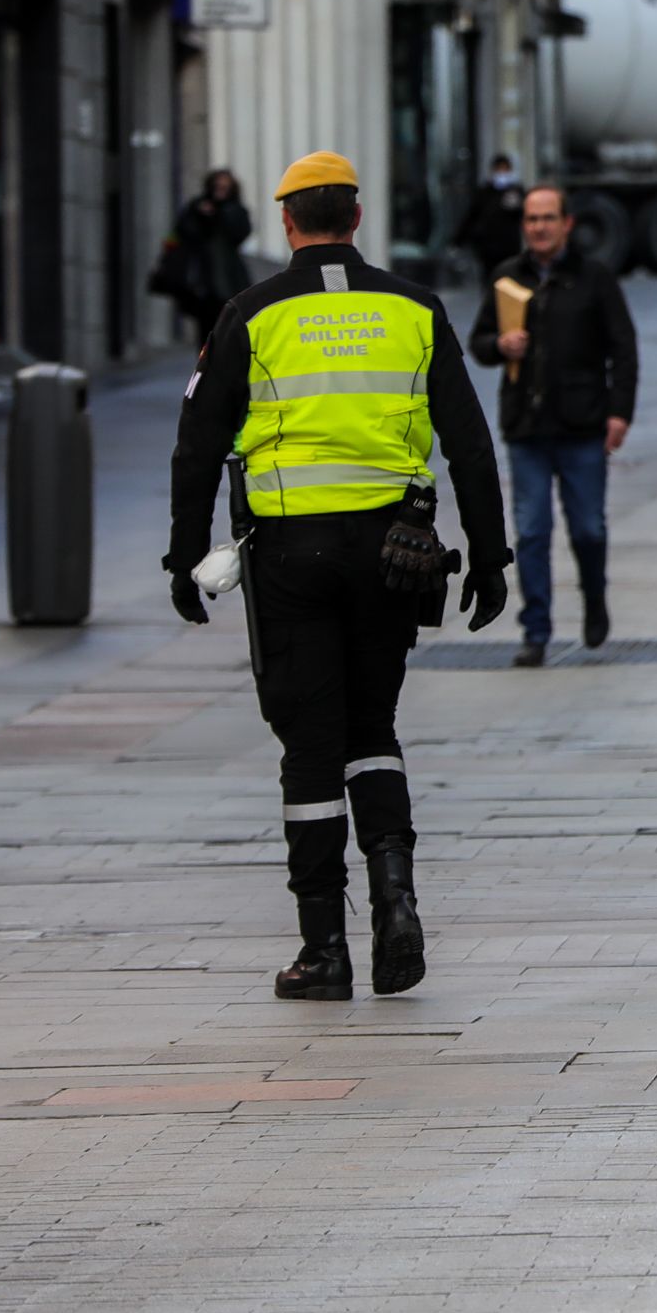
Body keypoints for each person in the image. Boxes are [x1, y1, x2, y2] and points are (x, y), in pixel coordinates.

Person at [165, 150, 509, 1002]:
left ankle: (323, 947)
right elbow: (469, 440)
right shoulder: (414, 309)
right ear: (356, 219)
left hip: (290, 557)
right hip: (395, 553)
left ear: (287, 222)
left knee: (309, 746)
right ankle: (397, 900)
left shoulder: (251, 313)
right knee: (372, 727)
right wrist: (494, 556)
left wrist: (183, 557)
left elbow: (198, 444)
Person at [468, 184, 639, 667]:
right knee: (532, 531)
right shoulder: (507, 278)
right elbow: (478, 340)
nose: (538, 227)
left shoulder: (594, 278)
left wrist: (619, 412)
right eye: (531, 219)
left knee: (587, 528)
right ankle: (536, 631)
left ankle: (594, 599)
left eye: (547, 218)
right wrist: (501, 345)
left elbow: (623, 349)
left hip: (583, 426)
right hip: (528, 429)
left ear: (567, 224)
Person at [161, 168, 253, 343]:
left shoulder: (235, 210)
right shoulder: (196, 207)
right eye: (217, 186)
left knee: (229, 325)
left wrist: (219, 215)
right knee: (205, 328)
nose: (220, 190)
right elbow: (183, 231)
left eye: (224, 187)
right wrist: (201, 215)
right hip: (202, 279)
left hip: (228, 278)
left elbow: (240, 233)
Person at [452, 154, 525, 277]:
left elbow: (522, 215)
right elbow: (472, 216)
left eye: (505, 169)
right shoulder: (484, 192)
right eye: (499, 169)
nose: (502, 173)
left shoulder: (516, 191)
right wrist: (458, 241)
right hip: (488, 249)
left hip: (509, 247)